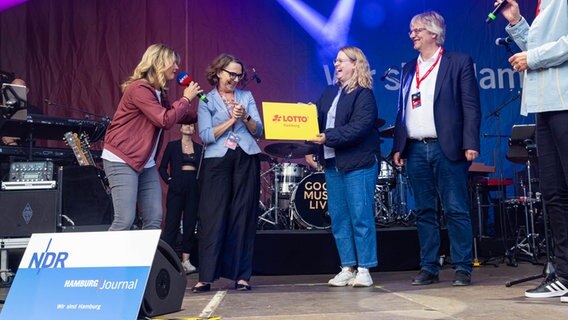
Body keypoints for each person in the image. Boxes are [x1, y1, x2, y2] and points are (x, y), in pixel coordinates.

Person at [392, 11, 481, 286]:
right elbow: (401, 111)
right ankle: (429, 266)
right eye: (410, 30)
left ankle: (463, 267)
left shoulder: (458, 62)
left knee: (455, 208)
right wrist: (399, 146)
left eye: (417, 30)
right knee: (424, 211)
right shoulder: (408, 68)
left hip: (448, 148)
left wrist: (470, 143)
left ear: (434, 33)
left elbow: (471, 106)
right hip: (416, 149)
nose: (412, 35)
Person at [497, 0, 568, 299]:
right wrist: (516, 22)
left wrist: (533, 57)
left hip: (565, 102)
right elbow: (539, 45)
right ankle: (564, 275)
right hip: (544, 104)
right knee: (554, 193)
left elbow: (547, 50)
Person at [102, 43, 202, 231]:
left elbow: (174, 114)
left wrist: (205, 113)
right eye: (173, 63)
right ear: (159, 63)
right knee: (124, 220)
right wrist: (186, 99)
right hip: (122, 158)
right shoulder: (139, 89)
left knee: (154, 219)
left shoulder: (158, 92)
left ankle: (145, 261)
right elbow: (164, 119)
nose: (177, 68)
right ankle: (108, 260)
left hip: (144, 162)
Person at [307, 46, 380, 287]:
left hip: (359, 162)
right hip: (332, 163)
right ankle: (347, 266)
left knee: (360, 216)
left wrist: (328, 138)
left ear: (355, 64)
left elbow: (359, 127)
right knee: (339, 217)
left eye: (341, 61)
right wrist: (302, 114)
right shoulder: (329, 92)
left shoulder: (363, 94)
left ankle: (365, 269)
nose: (336, 64)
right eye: (335, 61)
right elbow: (315, 123)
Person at [191, 53, 263, 293]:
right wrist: (230, 121)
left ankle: (242, 276)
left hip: (246, 156)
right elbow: (206, 135)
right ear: (218, 72)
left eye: (238, 74)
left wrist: (245, 117)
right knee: (213, 216)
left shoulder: (246, 96)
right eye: (230, 73)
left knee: (243, 215)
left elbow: (259, 131)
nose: (234, 78)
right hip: (217, 160)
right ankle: (206, 276)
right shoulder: (206, 99)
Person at [158, 123, 202, 274]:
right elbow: (162, 167)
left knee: (190, 223)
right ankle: (165, 259)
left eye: (191, 125)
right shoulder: (172, 146)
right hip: (177, 183)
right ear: (180, 129)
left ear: (194, 129)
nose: (188, 127)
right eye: (185, 125)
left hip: (193, 185)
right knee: (172, 222)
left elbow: (203, 170)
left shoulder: (199, 148)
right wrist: (170, 180)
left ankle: (186, 261)